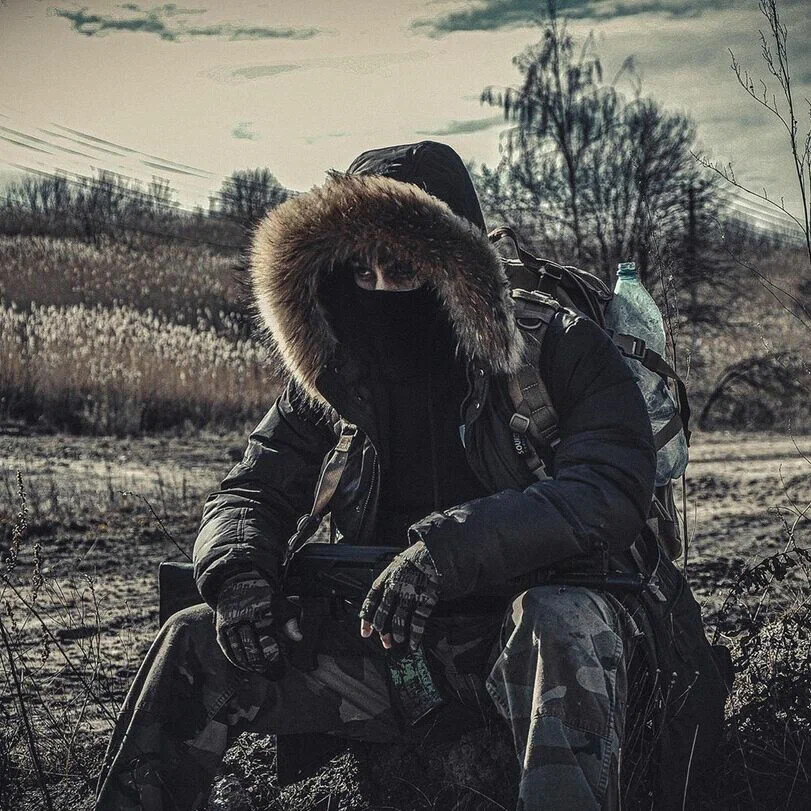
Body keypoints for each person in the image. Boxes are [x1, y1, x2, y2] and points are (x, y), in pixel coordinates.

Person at [95, 141, 726, 811]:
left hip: (524, 640)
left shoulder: (556, 346)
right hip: (389, 651)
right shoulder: (336, 369)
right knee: (191, 636)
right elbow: (251, 487)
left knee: (559, 618)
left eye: (402, 269)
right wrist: (238, 575)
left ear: (457, 268)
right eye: (361, 271)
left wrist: (444, 554)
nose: (380, 291)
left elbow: (607, 488)